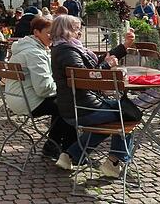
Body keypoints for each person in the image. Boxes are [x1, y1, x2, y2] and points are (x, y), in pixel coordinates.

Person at [50, 15, 137, 175]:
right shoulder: (67, 51)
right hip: (82, 108)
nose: (80, 33)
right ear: (66, 31)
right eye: (77, 29)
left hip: (75, 106)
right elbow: (88, 75)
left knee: (106, 124)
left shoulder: (64, 48)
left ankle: (69, 156)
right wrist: (107, 65)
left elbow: (94, 64)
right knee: (129, 114)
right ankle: (114, 161)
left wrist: (124, 46)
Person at [5, 16, 77, 158]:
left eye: (54, 33)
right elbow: (43, 89)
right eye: (49, 33)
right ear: (36, 32)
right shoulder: (35, 53)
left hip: (17, 98)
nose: (52, 37)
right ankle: (71, 152)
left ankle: (53, 145)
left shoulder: (28, 47)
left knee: (64, 104)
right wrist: (64, 86)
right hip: (28, 101)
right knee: (70, 106)